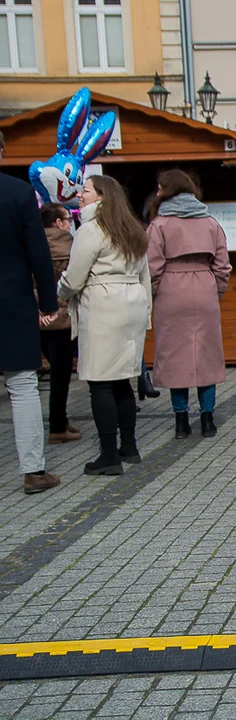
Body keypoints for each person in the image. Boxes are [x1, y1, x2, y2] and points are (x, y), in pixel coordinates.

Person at [57, 175, 152, 475]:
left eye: (85, 191)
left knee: (100, 381)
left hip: (103, 303)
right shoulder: (133, 229)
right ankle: (129, 446)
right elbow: (145, 275)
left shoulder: (91, 229)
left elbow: (74, 278)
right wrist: (146, 312)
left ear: (101, 196)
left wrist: (58, 293)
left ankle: (108, 455)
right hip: (133, 302)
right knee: (123, 378)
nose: (79, 195)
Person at [147, 169, 232, 438]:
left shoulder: (159, 224)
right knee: (205, 355)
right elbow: (222, 265)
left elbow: (152, 266)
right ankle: (208, 419)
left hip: (171, 289)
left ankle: (181, 421)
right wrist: (216, 290)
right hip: (204, 287)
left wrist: (155, 293)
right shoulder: (210, 222)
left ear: (168, 190)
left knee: (175, 356)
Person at [0, 130, 62, 494]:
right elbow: (39, 252)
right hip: (13, 299)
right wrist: (49, 301)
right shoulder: (19, 192)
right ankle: (33, 471)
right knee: (22, 385)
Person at [38, 203, 81, 445]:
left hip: (39, 317)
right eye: (68, 218)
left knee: (54, 370)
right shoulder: (69, 245)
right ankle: (57, 425)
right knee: (61, 375)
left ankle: (61, 421)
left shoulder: (32, 244)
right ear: (58, 223)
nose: (70, 222)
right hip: (62, 317)